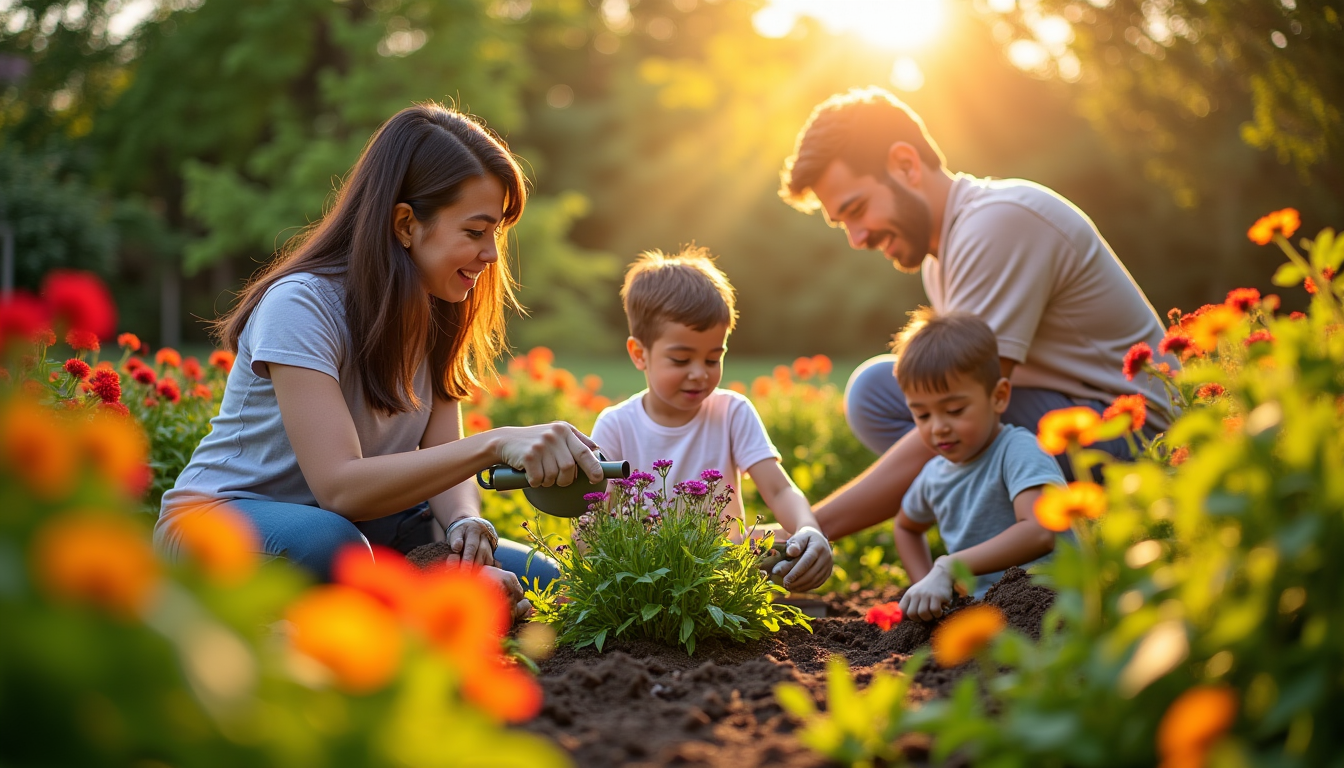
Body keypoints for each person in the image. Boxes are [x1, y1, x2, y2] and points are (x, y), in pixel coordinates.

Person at [156, 104, 604, 618]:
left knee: (556, 582)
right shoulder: (301, 305)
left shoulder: (441, 308)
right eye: (476, 232)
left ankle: (423, 596)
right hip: (228, 525)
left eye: (497, 233)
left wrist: (461, 525)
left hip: (375, 534)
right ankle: (430, 603)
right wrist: (496, 444)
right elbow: (341, 487)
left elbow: (442, 455)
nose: (493, 256)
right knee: (331, 546)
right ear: (407, 224)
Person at [777, 86, 1177, 542]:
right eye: (842, 222)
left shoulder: (996, 224)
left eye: (857, 209)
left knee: (940, 404)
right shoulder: (940, 260)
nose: (856, 237)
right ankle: (1007, 536)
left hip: (1133, 439)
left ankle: (1031, 541)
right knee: (878, 393)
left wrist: (809, 528)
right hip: (1065, 415)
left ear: (906, 165)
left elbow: (963, 397)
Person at [590, 247, 834, 592]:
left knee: (782, 540)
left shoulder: (732, 411)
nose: (699, 374)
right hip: (645, 582)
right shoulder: (616, 425)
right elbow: (597, 516)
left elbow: (778, 489)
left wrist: (809, 528)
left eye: (712, 359)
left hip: (719, 579)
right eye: (680, 360)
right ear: (639, 354)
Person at [888, 309, 1066, 621]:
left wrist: (947, 566)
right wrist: (924, 583)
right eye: (923, 415)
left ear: (998, 397)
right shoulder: (934, 474)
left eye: (954, 409)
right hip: (987, 615)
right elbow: (905, 526)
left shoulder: (1018, 450)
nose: (938, 427)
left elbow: (1040, 530)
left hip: (1051, 606)